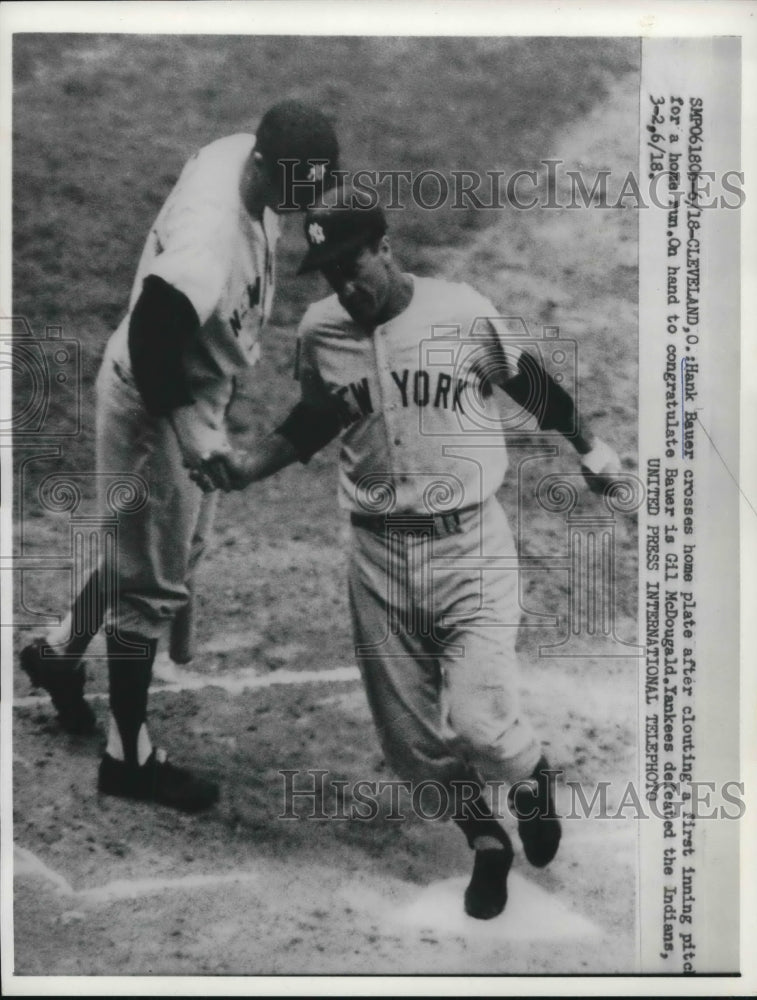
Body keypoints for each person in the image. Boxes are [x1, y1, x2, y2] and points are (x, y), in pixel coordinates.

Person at [192, 188, 623, 917]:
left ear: (383, 248)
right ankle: (485, 840)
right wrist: (244, 468)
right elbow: (311, 421)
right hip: (378, 560)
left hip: (468, 548)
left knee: (484, 723)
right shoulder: (321, 331)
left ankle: (531, 780)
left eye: (351, 264)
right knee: (409, 745)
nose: (342, 284)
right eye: (328, 272)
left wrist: (592, 449)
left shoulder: (458, 312)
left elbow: (531, 386)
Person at [20, 100, 340, 813]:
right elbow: (151, 343)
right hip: (154, 397)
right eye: (294, 186)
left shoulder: (245, 157)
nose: (301, 201)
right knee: (153, 586)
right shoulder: (206, 246)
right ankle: (127, 758)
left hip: (189, 383)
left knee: (161, 552)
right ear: (261, 164)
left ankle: (59, 649)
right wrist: (192, 436)